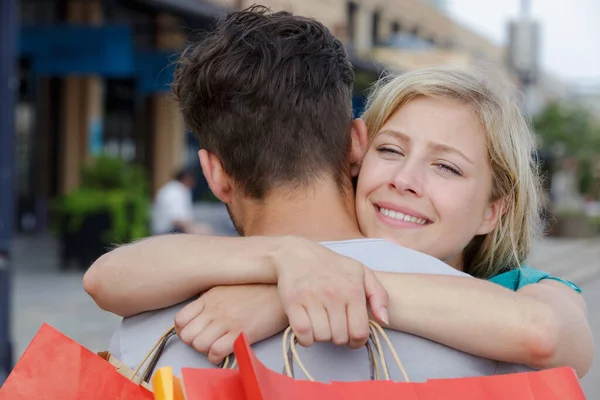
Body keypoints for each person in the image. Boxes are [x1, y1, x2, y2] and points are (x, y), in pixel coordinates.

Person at [84, 7, 593, 381]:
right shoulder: (486, 353)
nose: (405, 180)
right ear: (358, 147)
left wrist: (298, 289)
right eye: (391, 150)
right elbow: (104, 278)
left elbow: (541, 331)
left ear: (492, 210)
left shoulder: (514, 301)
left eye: (446, 166)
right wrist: (291, 260)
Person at [151, 168, 212, 235]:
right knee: (205, 232)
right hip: (167, 232)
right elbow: (177, 219)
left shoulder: (172, 188)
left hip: (165, 231)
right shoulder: (176, 191)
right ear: (186, 179)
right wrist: (194, 228)